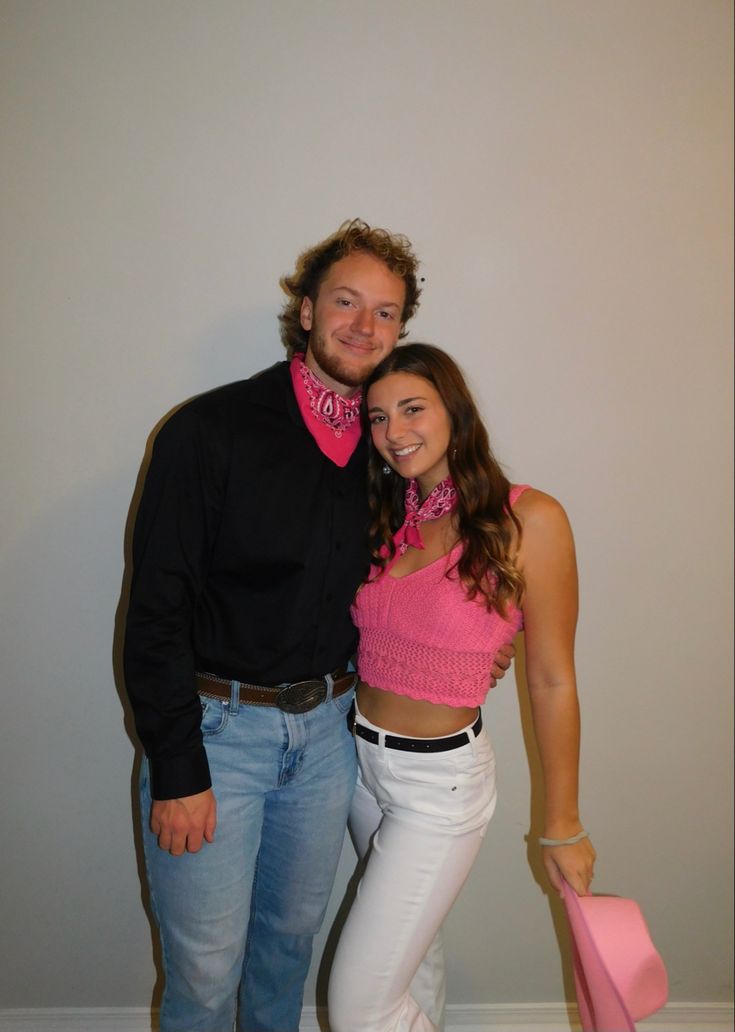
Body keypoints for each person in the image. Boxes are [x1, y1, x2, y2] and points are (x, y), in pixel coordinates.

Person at [123, 221, 513, 1032]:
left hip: (333, 737)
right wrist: (176, 765)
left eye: (385, 312)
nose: (363, 326)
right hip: (215, 736)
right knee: (203, 969)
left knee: (286, 952)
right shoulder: (210, 431)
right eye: (345, 302)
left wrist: (478, 639)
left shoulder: (386, 452)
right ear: (305, 310)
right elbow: (156, 609)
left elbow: (432, 571)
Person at [328, 343, 597, 1032]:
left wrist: (560, 825)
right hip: (357, 766)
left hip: (437, 787)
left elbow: (551, 677)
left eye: (412, 409)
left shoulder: (528, 519)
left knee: (358, 1009)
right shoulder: (384, 517)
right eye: (379, 417)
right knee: (412, 962)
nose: (394, 432)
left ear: (455, 412)